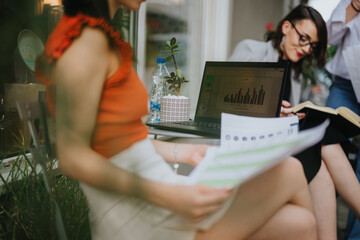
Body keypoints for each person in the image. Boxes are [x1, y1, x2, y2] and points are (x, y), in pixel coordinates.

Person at [34, 0, 318, 239]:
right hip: (140, 214)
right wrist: (170, 197)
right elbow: (71, 157)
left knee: (301, 223)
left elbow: (121, 138)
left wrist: (183, 150)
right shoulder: (86, 44)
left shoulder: (98, 39)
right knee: (290, 170)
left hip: (157, 192)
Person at [229, 4, 360, 239]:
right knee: (325, 145)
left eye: (312, 45)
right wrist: (267, 110)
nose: (306, 48)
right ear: (286, 27)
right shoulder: (251, 50)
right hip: (250, 143)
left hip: (281, 144)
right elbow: (225, 101)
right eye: (303, 38)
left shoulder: (296, 73)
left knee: (322, 162)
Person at [325, 0, 360, 239]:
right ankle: (318, 227)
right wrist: (355, 7)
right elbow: (329, 36)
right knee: (326, 141)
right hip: (346, 86)